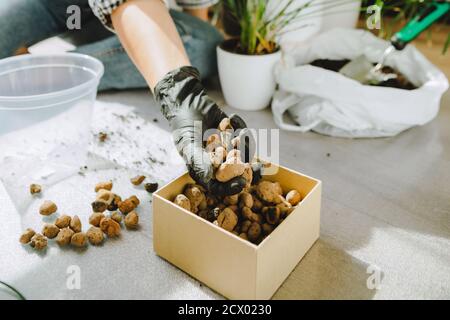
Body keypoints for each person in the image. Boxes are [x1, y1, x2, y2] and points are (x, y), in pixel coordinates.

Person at [0, 0, 253, 196]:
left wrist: (185, 88)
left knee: (206, 45)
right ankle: (69, 72)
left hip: (111, 16)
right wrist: (182, 89)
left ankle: (50, 72)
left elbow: (196, 18)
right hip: (46, 5)